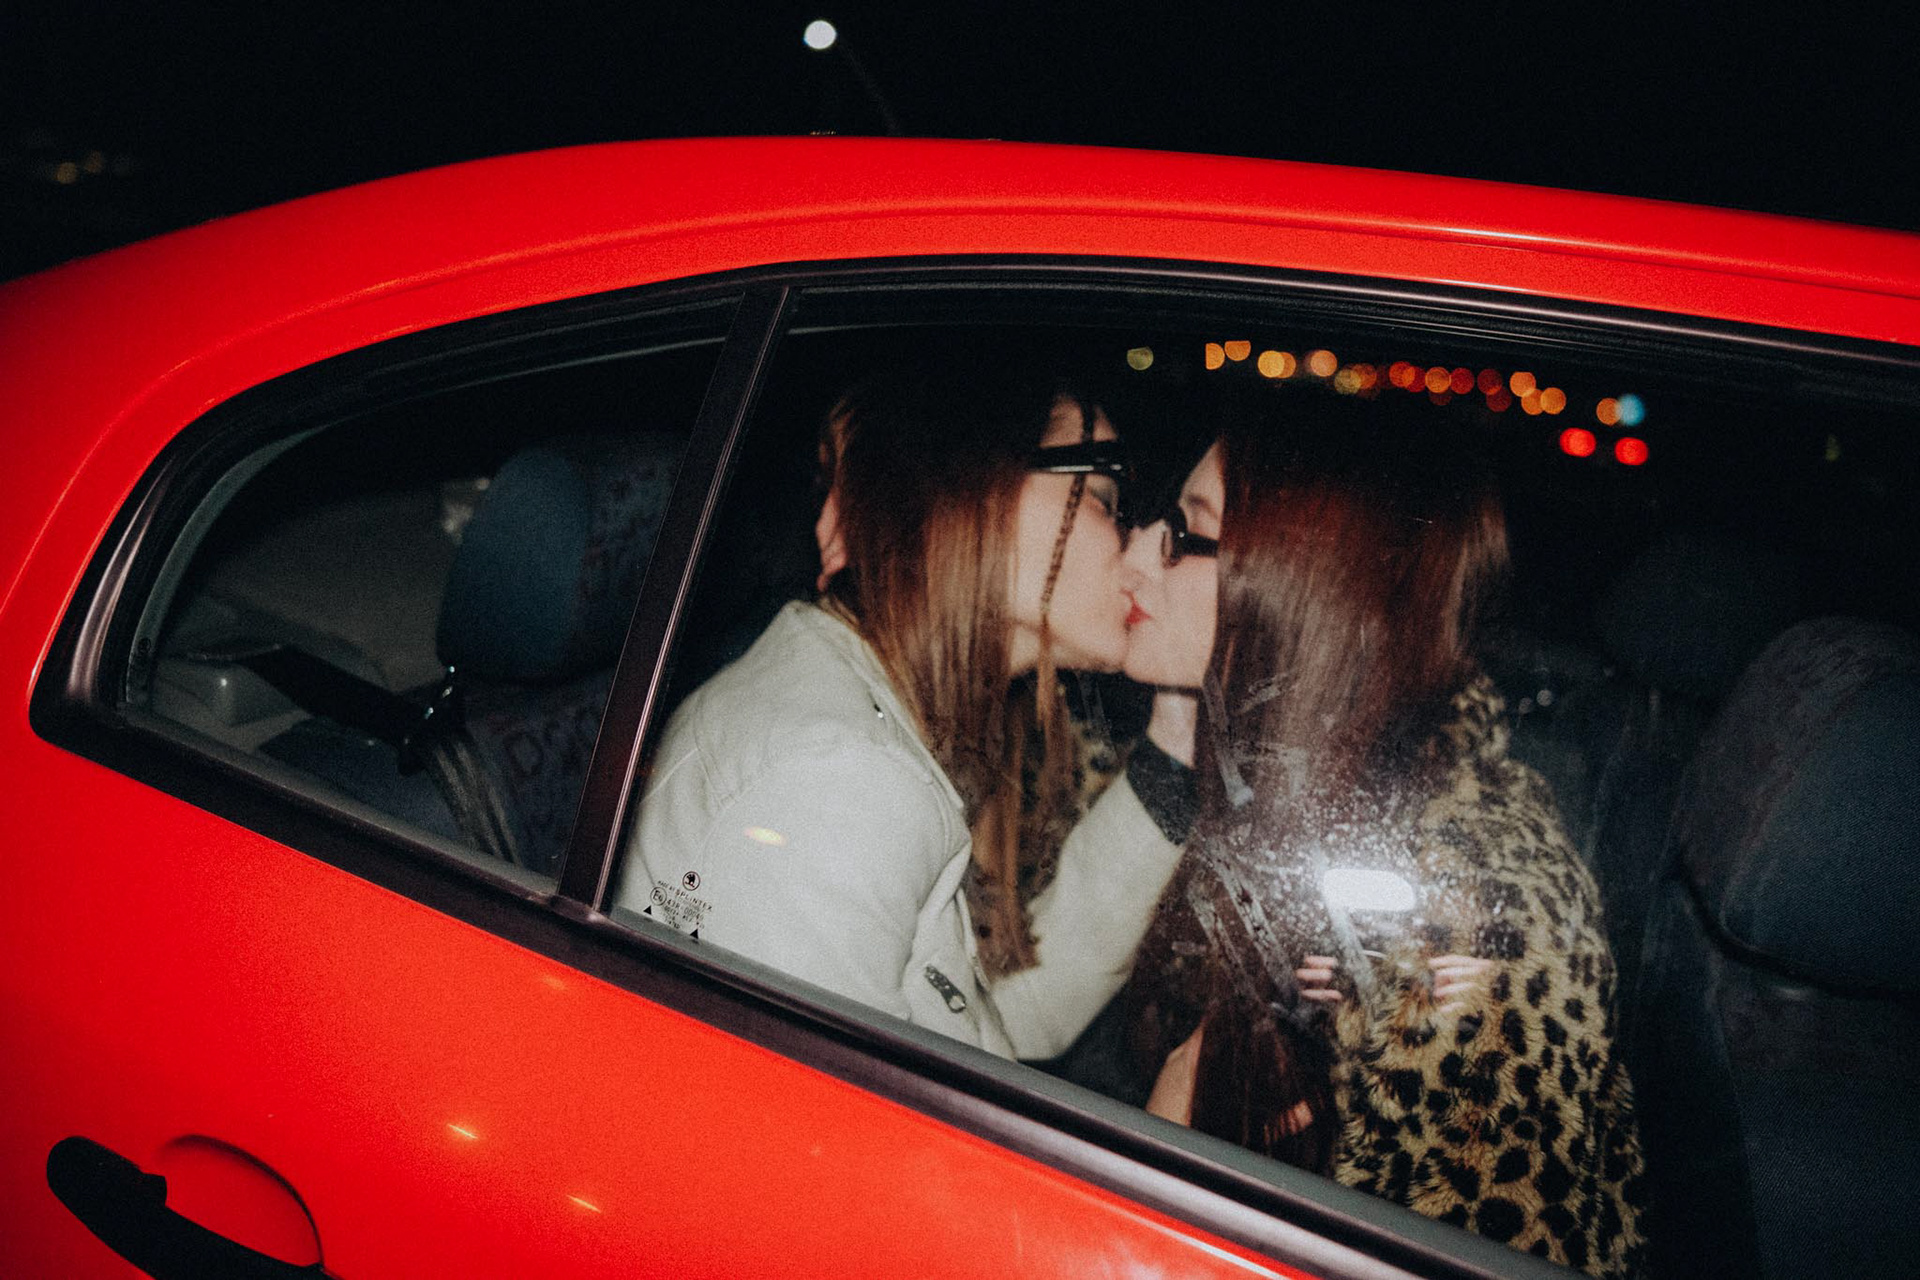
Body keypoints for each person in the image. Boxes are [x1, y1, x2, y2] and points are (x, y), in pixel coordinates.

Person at [1117, 398, 1648, 1277]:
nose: (1134, 554)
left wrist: (1171, 1134)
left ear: (1309, 588)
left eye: (1182, 532)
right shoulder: (1284, 793)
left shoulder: (1468, 909)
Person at [617, 363, 1193, 1061]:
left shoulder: (872, 714)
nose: (1141, 545)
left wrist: (1177, 745)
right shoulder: (836, 779)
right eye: (1104, 497)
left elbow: (987, 1022)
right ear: (970, 492)